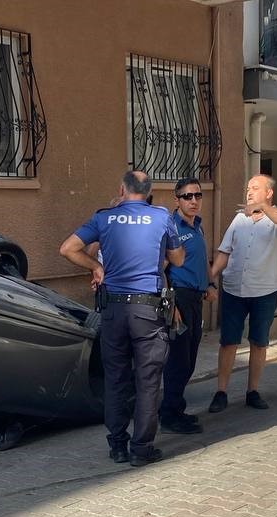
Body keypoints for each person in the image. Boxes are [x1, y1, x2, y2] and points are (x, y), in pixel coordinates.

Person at [59, 171, 184, 467]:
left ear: (122, 189)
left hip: (113, 310)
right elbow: (178, 259)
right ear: (149, 191)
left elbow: (67, 249)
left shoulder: (104, 217)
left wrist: (96, 267)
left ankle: (117, 445)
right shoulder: (161, 217)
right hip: (147, 312)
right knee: (148, 380)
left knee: (116, 379)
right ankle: (141, 449)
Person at [207, 174, 277, 413]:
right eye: (248, 188)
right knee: (228, 342)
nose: (249, 192)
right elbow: (225, 251)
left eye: (255, 188)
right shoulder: (239, 219)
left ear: (269, 193)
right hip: (234, 289)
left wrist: (263, 208)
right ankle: (221, 391)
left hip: (264, 290)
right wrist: (210, 277)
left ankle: (252, 391)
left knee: (258, 342)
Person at [159, 178, 215, 435]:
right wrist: (171, 306)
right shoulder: (170, 228)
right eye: (187, 196)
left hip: (195, 297)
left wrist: (210, 284)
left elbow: (201, 261)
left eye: (197, 195)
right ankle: (169, 415)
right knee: (178, 360)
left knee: (190, 357)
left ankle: (176, 408)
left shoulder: (197, 226)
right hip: (179, 298)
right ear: (177, 199)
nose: (193, 201)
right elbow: (161, 270)